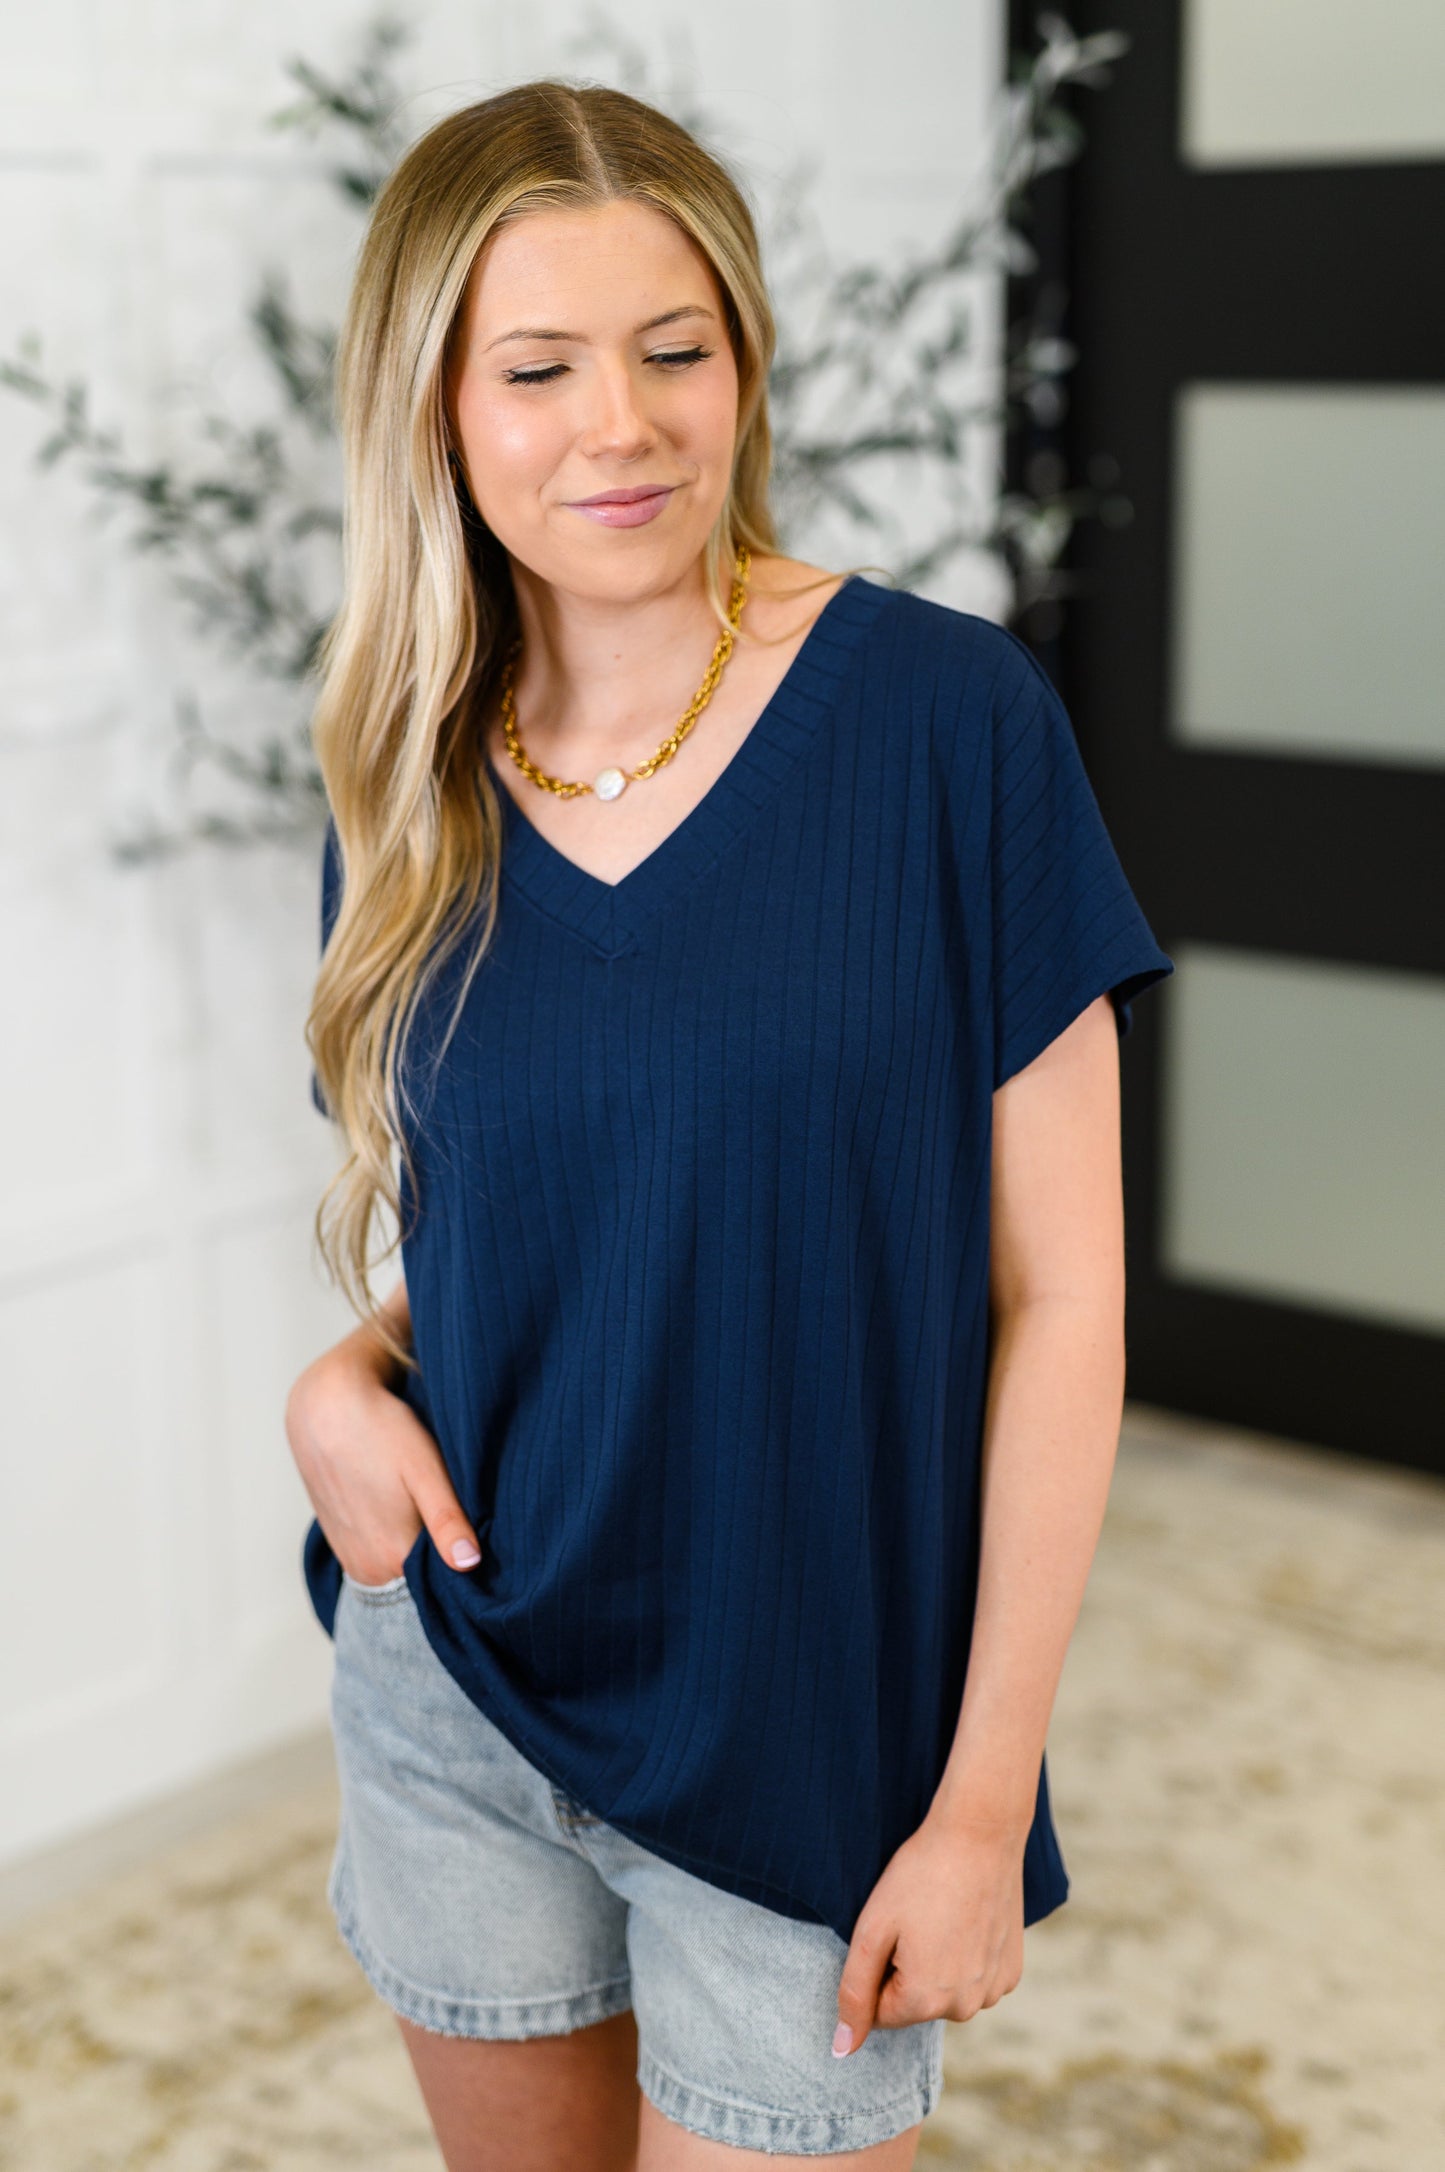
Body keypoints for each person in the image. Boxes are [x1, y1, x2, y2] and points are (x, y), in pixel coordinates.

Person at [283, 78, 1173, 2172]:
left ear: (746, 365)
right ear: (434, 410)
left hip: (819, 1729)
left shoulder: (947, 726)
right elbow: (575, 1222)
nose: (623, 426)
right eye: (539, 369)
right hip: (459, 1697)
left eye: (675, 349)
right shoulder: (402, 777)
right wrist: (349, 1374)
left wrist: (979, 1805)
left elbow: (1061, 1301)